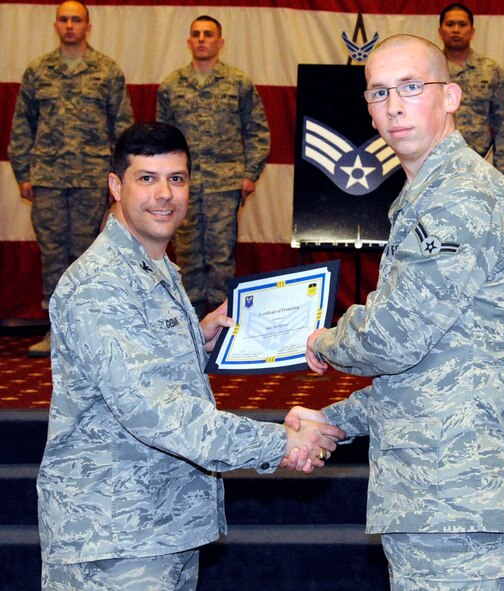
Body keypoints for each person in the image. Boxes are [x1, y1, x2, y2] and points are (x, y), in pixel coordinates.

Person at [36, 122, 344, 590]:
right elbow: (158, 413)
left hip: (159, 525)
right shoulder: (101, 285)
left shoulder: (153, 266)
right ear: (116, 186)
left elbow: (139, 368)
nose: (164, 194)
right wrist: (280, 443)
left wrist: (196, 341)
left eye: (176, 179)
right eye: (146, 178)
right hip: (113, 535)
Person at [285, 35, 504, 590]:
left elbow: (396, 337)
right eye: (379, 92)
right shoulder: (431, 193)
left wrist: (327, 341)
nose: (394, 105)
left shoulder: (458, 197)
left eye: (410, 87)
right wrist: (336, 421)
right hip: (443, 488)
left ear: (450, 97)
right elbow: (430, 373)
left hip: (458, 492)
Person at [8, 0, 133, 357]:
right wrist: (23, 173)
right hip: (47, 177)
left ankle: (86, 333)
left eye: (76, 20)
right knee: (52, 256)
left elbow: (122, 127)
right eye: (63, 19)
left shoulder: (106, 70)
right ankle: (55, 331)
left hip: (92, 179)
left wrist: (120, 183)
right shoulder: (38, 71)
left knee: (88, 256)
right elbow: (22, 125)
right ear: (55, 25)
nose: (70, 25)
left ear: (88, 27)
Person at [157, 15, 271, 316]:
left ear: (220, 42)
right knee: (187, 255)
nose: (202, 39)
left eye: (208, 34)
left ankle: (222, 324)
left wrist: (250, 175)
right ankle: (190, 322)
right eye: (196, 34)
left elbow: (258, 130)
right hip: (182, 186)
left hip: (225, 184)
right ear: (189, 42)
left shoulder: (238, 82)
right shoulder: (171, 85)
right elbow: (162, 140)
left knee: (221, 258)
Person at [438, 3, 504, 177]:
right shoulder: (428, 69)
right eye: (450, 24)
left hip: (480, 162)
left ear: (472, 31)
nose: (456, 29)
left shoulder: (491, 70)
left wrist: (501, 173)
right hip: (436, 163)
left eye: (462, 25)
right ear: (440, 31)